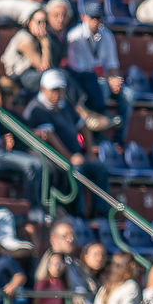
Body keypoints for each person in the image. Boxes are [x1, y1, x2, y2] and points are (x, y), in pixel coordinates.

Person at [21, 69, 111, 218]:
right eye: (53, 90)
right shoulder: (37, 109)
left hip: (76, 155)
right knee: (76, 171)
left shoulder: (65, 105)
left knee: (99, 168)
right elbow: (51, 137)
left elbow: (83, 126)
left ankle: (101, 213)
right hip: (56, 158)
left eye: (60, 90)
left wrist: (89, 151)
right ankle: (78, 215)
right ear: (43, 89)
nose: (57, 94)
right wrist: (69, 157)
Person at [66, 1, 133, 143]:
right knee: (99, 88)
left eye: (98, 18)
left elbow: (112, 65)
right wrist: (109, 78)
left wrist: (115, 79)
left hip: (103, 79)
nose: (96, 22)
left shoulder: (106, 35)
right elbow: (80, 70)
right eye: (92, 18)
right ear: (84, 17)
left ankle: (118, 139)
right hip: (85, 81)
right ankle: (99, 137)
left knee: (128, 95)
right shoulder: (74, 37)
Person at [0, 71, 44, 210]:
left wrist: (1, 141)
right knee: (32, 164)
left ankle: (32, 206)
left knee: (37, 163)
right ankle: (32, 208)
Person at [34, 218, 97, 302]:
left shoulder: (75, 263)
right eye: (65, 236)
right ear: (53, 240)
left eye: (72, 235)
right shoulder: (47, 262)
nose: (71, 239)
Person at [0, 6, 51, 94]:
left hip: (25, 74)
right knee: (49, 77)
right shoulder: (26, 40)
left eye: (45, 22)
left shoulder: (34, 38)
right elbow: (43, 67)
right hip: (16, 77)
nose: (43, 26)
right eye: (39, 22)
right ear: (29, 22)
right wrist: (45, 43)